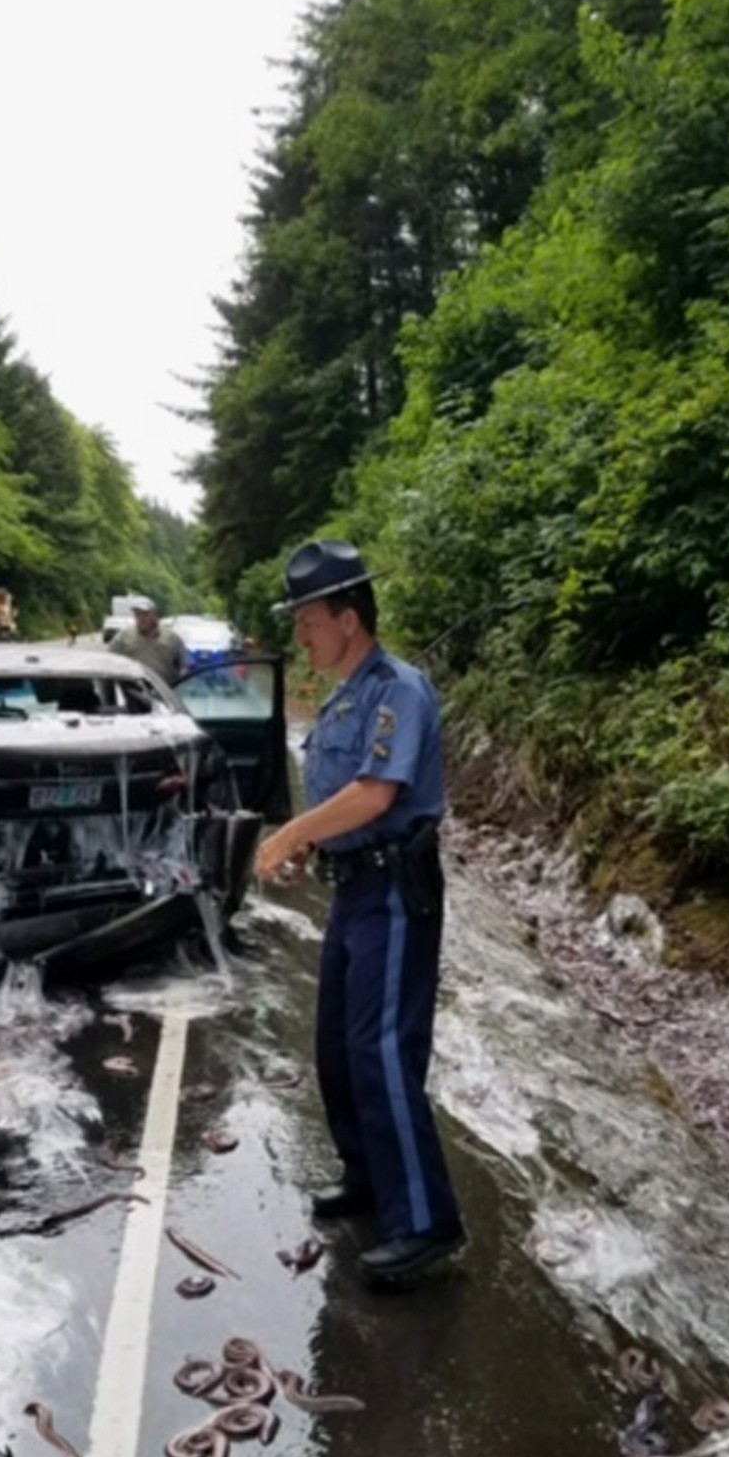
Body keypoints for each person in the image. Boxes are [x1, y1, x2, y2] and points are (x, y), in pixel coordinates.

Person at [255, 539, 465, 1288]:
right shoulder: (343, 697)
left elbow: (378, 796)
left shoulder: (397, 690)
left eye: (307, 620)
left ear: (347, 617)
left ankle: (426, 1222)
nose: (300, 635)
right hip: (353, 887)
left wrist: (287, 834)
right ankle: (369, 1178)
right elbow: (342, 801)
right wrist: (315, 844)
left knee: (383, 1049)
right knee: (339, 1048)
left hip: (395, 891)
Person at [109, 596, 188, 685]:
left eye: (145, 614)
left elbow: (184, 665)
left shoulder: (172, 638)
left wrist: (180, 682)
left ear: (154, 615)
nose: (141, 618)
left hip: (164, 691)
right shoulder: (123, 637)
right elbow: (109, 661)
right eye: (138, 614)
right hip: (133, 690)